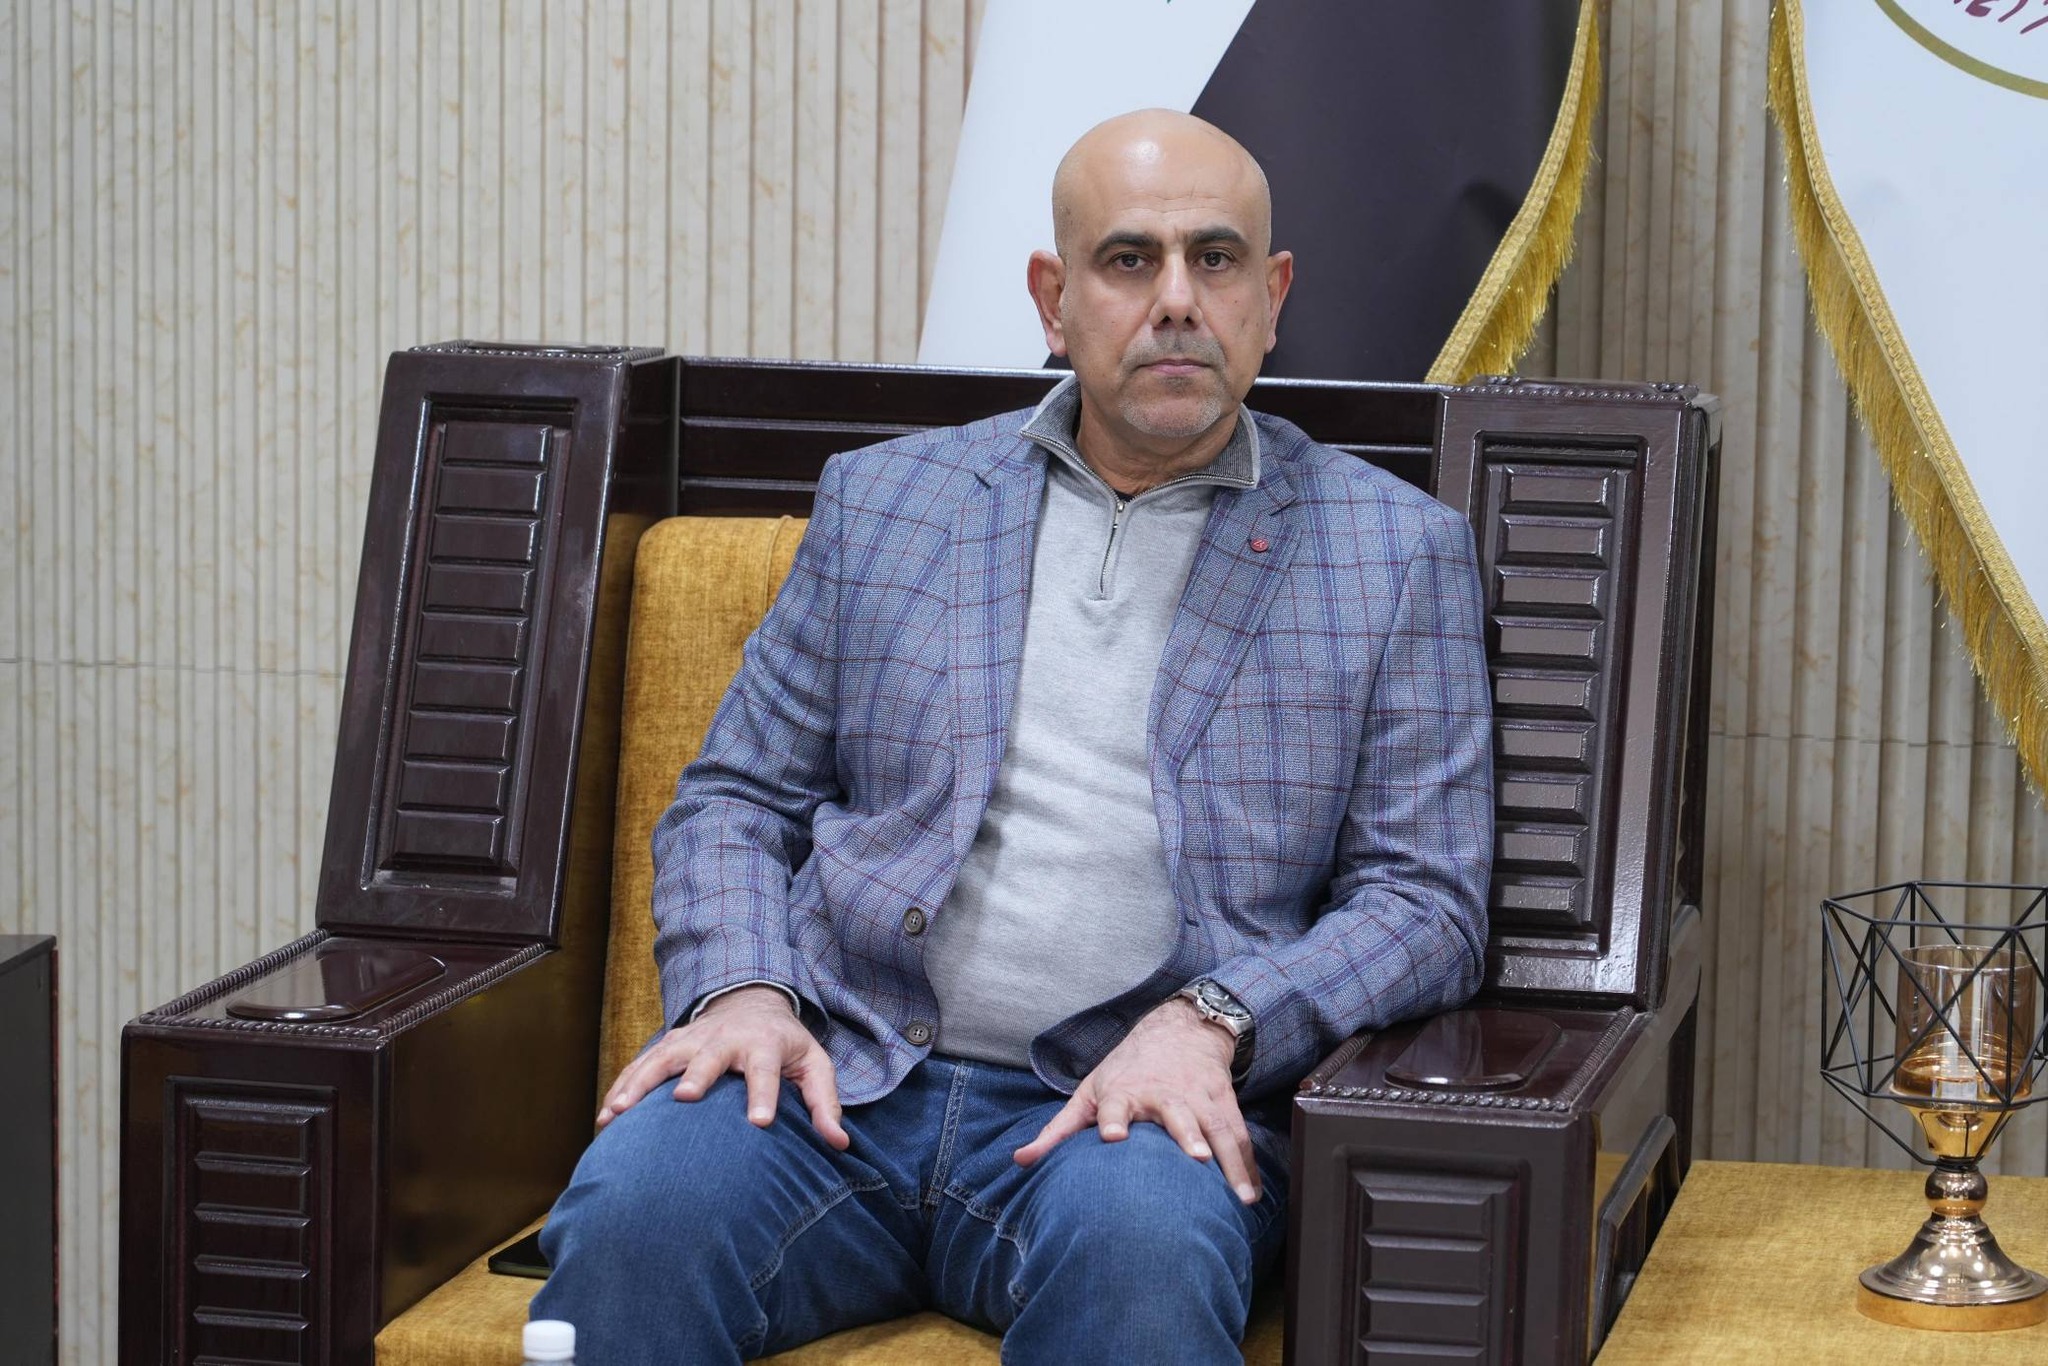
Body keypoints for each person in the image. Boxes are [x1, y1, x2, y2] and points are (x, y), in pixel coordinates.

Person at [530, 108, 1493, 1365]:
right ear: (1053, 299)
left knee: (1141, 1258)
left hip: (1123, 1114)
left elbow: (1427, 901)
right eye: (1127, 259)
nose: (1175, 300)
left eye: (1213, 259)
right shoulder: (888, 501)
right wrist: (745, 987)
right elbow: (735, 799)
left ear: (1270, 298)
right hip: (838, 1077)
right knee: (638, 1208)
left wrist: (1213, 1018)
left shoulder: (1393, 554)